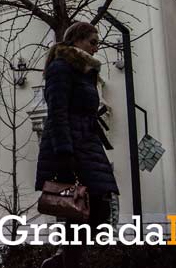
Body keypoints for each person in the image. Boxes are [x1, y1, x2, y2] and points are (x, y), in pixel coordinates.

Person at [36, 22, 119, 268]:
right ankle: (65, 262)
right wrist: (64, 152)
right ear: (77, 40)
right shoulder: (61, 68)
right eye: (92, 42)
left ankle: (62, 262)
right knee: (79, 211)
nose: (96, 47)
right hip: (72, 147)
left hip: (88, 144)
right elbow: (57, 111)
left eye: (98, 42)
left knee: (99, 209)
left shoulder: (84, 71)